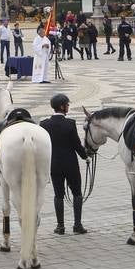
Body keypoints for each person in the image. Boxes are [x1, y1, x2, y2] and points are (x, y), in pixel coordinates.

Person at [40, 93, 88, 235]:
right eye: (67, 104)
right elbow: (77, 145)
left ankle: (60, 226)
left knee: (58, 195)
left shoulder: (44, 124)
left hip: (54, 164)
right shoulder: (70, 124)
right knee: (77, 193)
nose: (68, 107)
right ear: (62, 106)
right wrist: (86, 156)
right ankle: (77, 225)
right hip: (70, 164)